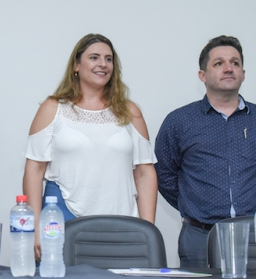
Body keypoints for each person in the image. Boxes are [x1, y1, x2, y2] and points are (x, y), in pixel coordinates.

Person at [155, 35, 256, 268]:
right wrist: (194, 204)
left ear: (243, 74)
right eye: (219, 63)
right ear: (202, 75)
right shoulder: (179, 121)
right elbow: (164, 175)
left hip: (255, 236)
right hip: (199, 237)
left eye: (235, 63)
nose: (228, 68)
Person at [23, 34, 157, 261]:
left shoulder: (130, 111)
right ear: (76, 65)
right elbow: (34, 170)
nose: (103, 64)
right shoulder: (52, 108)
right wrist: (35, 228)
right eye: (94, 57)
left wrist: (147, 230)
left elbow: (145, 172)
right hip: (64, 217)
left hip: (123, 222)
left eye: (108, 59)